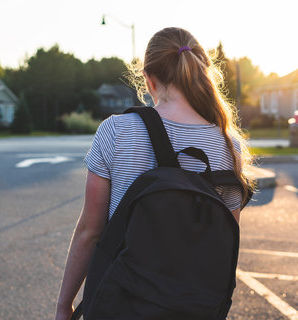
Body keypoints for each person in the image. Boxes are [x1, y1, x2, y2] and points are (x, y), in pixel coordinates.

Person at [55, 27, 253, 320]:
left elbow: (90, 231)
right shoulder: (229, 145)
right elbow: (224, 244)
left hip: (120, 303)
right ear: (201, 71)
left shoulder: (116, 131)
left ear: (148, 79)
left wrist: (64, 305)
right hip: (192, 307)